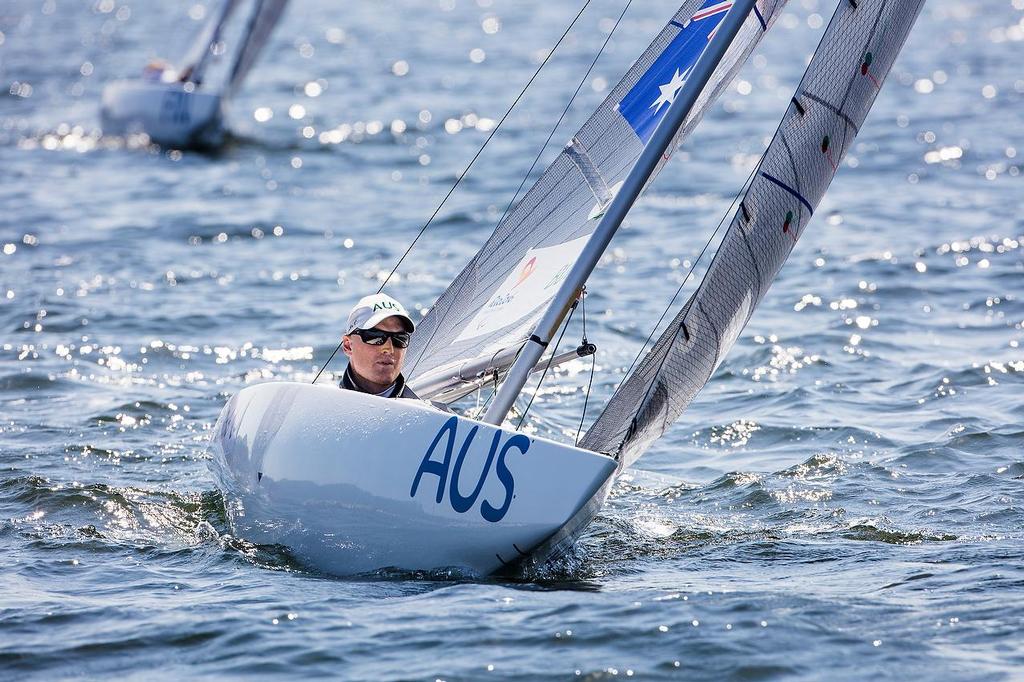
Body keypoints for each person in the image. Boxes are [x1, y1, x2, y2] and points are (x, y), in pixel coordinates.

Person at [339, 293, 421, 399]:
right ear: (348, 346)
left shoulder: (432, 411)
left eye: (400, 338)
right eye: (375, 337)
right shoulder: (322, 408)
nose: (389, 349)